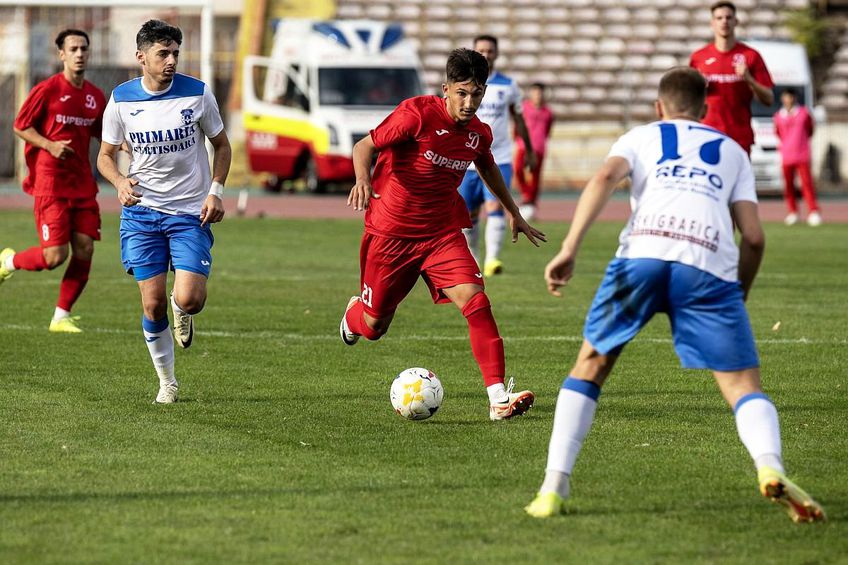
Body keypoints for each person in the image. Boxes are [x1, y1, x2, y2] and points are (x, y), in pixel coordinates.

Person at [524, 67, 825, 523]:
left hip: (641, 256)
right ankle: (770, 466)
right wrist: (734, 296)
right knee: (742, 387)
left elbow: (606, 176)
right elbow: (756, 238)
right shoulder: (731, 151)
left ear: (658, 107)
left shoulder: (641, 136)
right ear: (706, 109)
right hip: (705, 266)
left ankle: (552, 487)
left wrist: (569, 247)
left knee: (590, 365)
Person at [339, 48, 546, 421]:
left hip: (441, 234)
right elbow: (364, 146)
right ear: (446, 88)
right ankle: (354, 316)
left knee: (476, 301)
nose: (469, 103)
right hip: (391, 235)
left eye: (477, 94)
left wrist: (514, 212)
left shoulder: (478, 134)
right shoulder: (415, 114)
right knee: (374, 327)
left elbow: (488, 168)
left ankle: (498, 398)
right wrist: (362, 180)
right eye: (462, 93)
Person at [97, 20, 231, 404]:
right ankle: (167, 382)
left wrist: (216, 191)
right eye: (162, 54)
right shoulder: (121, 99)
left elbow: (221, 145)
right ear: (141, 57)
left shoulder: (198, 94)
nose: (171, 60)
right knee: (150, 302)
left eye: (175, 53)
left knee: (190, 299)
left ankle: (181, 307)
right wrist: (121, 183)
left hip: (190, 212)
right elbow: (105, 156)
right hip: (142, 215)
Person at [0, 29, 106, 333]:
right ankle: (9, 262)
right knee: (54, 257)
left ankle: (61, 316)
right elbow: (21, 126)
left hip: (83, 184)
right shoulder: (47, 89)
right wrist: (49, 144)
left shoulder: (94, 96)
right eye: (73, 48)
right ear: (61, 54)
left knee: (85, 248)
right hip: (51, 184)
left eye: (84, 48)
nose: (79, 53)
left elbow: (101, 132)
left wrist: (123, 145)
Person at [458, 35, 537, 277]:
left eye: (490, 50)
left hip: (498, 157)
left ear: (497, 53)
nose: (486, 54)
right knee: (467, 214)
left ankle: (492, 260)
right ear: (475, 51)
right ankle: (474, 260)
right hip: (466, 159)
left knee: (495, 205)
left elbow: (519, 119)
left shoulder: (508, 85)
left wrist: (529, 151)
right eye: (481, 49)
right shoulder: (463, 85)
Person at [689, 1, 774, 154]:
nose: (724, 22)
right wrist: (698, 87)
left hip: (739, 136)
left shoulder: (751, 56)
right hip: (707, 134)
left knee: (740, 178)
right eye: (719, 18)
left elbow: (769, 99)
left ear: (736, 21)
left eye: (728, 17)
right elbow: (688, 100)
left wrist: (749, 79)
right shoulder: (699, 58)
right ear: (712, 23)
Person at [774, 87, 822, 226]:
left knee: (807, 184)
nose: (787, 100)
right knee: (788, 186)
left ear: (794, 98)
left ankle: (813, 211)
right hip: (786, 155)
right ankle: (792, 212)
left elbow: (810, 130)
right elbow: (778, 133)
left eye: (789, 97)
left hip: (802, 154)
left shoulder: (804, 113)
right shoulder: (778, 116)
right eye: (785, 97)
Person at [513, 82, 554, 222]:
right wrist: (517, 138)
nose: (538, 95)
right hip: (523, 146)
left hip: (539, 148)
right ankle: (527, 195)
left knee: (535, 177)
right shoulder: (523, 108)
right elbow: (517, 124)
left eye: (540, 92)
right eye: (535, 92)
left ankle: (531, 202)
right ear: (531, 93)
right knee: (518, 170)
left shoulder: (548, 112)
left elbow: (548, 130)